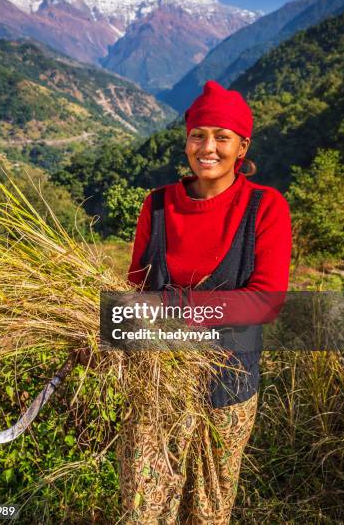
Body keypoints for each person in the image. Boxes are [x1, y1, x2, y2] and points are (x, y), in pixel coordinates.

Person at [119, 80, 292, 524]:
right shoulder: (157, 206)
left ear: (242, 146)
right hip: (155, 385)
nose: (207, 147)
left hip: (227, 390)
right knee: (142, 507)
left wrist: (173, 309)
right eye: (198, 135)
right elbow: (137, 291)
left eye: (222, 137)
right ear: (186, 140)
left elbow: (264, 302)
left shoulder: (265, 208)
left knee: (208, 510)